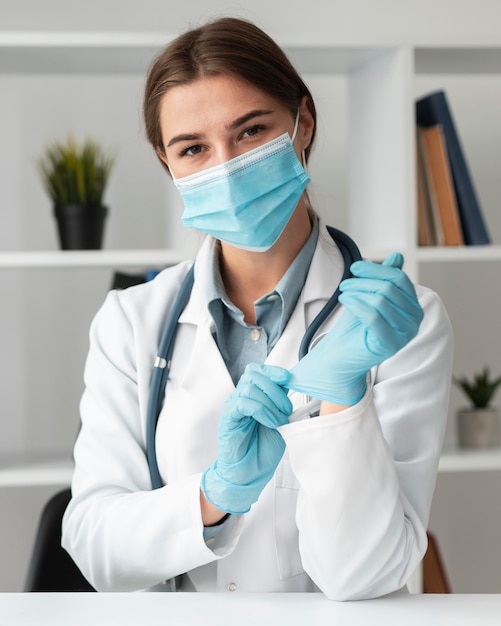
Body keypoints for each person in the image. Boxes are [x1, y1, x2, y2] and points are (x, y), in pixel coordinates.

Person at [62, 17, 453, 600]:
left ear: (303, 123)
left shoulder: (398, 321)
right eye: (193, 148)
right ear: (168, 165)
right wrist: (217, 495)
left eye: (249, 132)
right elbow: (96, 547)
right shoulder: (131, 322)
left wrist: (344, 399)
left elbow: (367, 576)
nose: (225, 167)